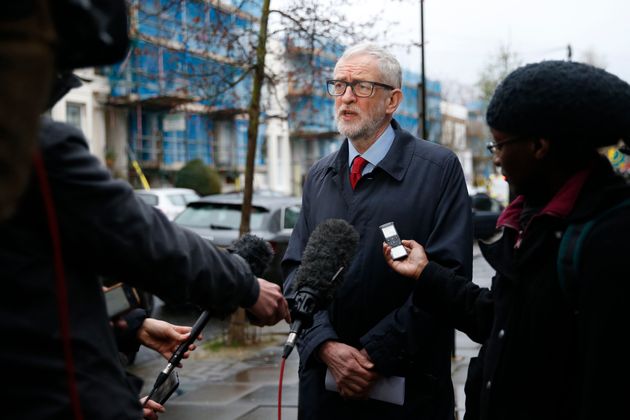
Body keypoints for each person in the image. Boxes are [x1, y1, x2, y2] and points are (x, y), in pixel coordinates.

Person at [0, 71, 290, 419]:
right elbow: (145, 237)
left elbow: (39, 292)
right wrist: (244, 284)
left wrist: (132, 325)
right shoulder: (26, 147)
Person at [383, 60, 630, 420]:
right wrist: (426, 273)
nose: (496, 159)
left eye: (499, 145)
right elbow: (499, 320)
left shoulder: (608, 239)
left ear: (539, 146)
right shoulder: (532, 220)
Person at [282, 42, 472, 419]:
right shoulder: (319, 175)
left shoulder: (437, 170)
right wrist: (325, 345)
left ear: (392, 100)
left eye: (361, 86)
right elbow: (295, 271)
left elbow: (447, 278)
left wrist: (373, 356)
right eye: (339, 86)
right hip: (324, 390)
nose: (346, 98)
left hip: (408, 389)